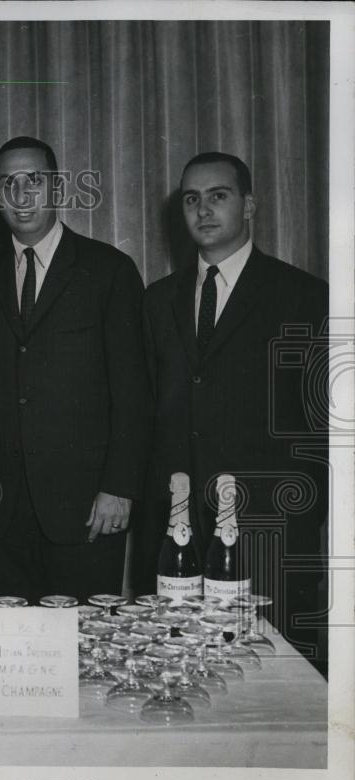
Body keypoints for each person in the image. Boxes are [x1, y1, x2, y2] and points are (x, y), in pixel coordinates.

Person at [136, 152, 329, 673]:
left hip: (269, 528)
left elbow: (321, 430)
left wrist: (305, 522)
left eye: (217, 196)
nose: (203, 210)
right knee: (179, 674)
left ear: (249, 205)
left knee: (275, 681)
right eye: (191, 200)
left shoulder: (304, 297)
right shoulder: (156, 302)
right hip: (177, 533)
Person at [0, 136, 150, 605]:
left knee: (85, 655)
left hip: (87, 506)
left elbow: (134, 391)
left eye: (34, 181)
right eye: (9, 183)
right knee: (14, 659)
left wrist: (119, 488)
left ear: (58, 188)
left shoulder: (109, 270)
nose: (22, 195)